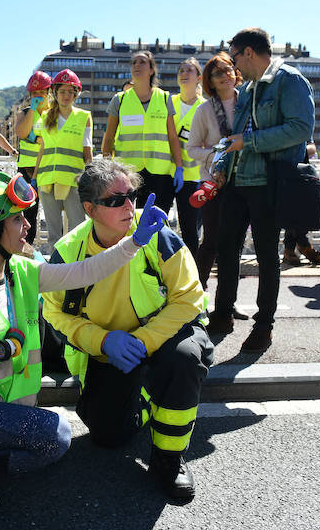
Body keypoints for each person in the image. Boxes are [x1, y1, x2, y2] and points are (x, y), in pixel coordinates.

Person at [0, 169, 167, 514]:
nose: (28, 227)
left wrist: (134, 243)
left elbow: (83, 272)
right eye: (17, 219)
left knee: (50, 445)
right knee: (56, 437)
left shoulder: (21, 271)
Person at [43, 158, 212, 500]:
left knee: (183, 359)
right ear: (89, 209)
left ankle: (168, 460)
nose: (129, 205)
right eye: (115, 200)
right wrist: (103, 341)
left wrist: (143, 341)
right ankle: (150, 390)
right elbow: (55, 313)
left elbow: (190, 298)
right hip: (110, 350)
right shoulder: (68, 251)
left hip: (164, 336)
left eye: (131, 195)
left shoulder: (156, 233)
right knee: (108, 436)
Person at [210, 27, 314, 352]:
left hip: (270, 182)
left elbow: (301, 129)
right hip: (238, 182)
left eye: (236, 57)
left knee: (267, 257)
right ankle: (222, 314)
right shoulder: (250, 87)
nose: (234, 65)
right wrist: (221, 170)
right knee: (226, 250)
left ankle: (263, 326)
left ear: (250, 53)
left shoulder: (290, 80)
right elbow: (235, 136)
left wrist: (250, 142)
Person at [102, 50, 184, 214]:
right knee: (128, 221)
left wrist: (179, 168)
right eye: (134, 63)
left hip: (160, 173)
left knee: (156, 221)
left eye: (142, 62)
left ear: (152, 70)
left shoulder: (165, 98)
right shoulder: (120, 99)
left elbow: (172, 137)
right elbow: (109, 136)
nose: (137, 65)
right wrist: (106, 167)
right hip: (128, 173)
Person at [186, 52, 240, 288]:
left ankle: (228, 301)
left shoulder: (247, 102)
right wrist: (217, 155)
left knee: (234, 244)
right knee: (211, 242)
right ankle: (196, 296)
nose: (224, 76)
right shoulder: (205, 110)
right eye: (217, 73)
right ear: (209, 80)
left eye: (228, 69)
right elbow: (191, 149)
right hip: (213, 184)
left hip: (244, 181)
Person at [34, 69, 92, 251]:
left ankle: (76, 266)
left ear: (76, 94)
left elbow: (87, 150)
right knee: (53, 231)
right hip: (47, 180)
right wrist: (34, 176)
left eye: (70, 92)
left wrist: (90, 178)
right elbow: (43, 149)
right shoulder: (45, 117)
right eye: (62, 92)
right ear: (55, 93)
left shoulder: (84, 117)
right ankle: (55, 268)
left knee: (77, 227)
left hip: (73, 180)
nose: (66, 96)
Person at [171, 57, 206, 253]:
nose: (184, 73)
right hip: (167, 174)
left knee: (190, 230)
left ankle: (193, 275)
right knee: (160, 227)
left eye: (189, 71)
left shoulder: (205, 107)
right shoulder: (168, 102)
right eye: (181, 70)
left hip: (193, 177)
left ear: (198, 78)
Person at [12, 71, 51, 245]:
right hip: (27, 171)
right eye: (34, 93)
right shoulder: (26, 112)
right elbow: (21, 132)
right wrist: (33, 110)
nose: (38, 96)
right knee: (29, 213)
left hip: (48, 168)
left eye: (42, 92)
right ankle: (26, 249)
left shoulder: (55, 114)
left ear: (49, 93)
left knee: (51, 212)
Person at [281, 142, 320, 266]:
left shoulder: (302, 126)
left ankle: (291, 249)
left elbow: (312, 148)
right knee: (291, 210)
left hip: (299, 173)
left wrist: (293, 149)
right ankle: (302, 245)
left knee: (299, 209)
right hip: (283, 172)